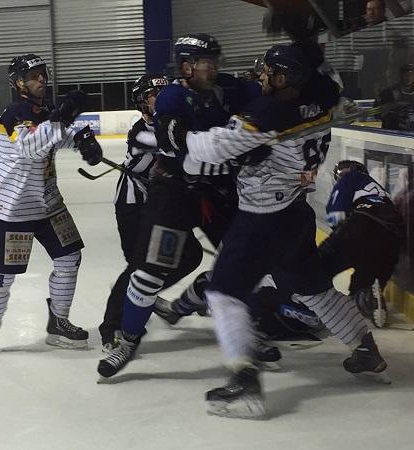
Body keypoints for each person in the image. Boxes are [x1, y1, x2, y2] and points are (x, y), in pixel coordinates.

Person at [156, 43, 389, 418]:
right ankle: (365, 349)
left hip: (260, 219)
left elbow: (211, 149)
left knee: (223, 293)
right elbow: (326, 79)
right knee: (313, 290)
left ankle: (245, 384)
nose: (260, 77)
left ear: (283, 79)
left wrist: (177, 135)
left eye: (266, 72)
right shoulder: (324, 96)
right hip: (295, 214)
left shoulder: (267, 114)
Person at [97, 34, 260, 377]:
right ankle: (126, 337)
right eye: (207, 62)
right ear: (186, 67)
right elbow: (184, 156)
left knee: (244, 265)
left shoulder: (227, 88)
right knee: (146, 274)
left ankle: (237, 330)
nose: (214, 67)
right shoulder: (172, 99)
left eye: (216, 60)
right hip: (173, 196)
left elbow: (269, 99)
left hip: (217, 195)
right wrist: (241, 150)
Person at [0, 53, 101, 352]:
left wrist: (83, 140)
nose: (42, 78)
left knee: (69, 258)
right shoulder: (14, 114)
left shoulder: (46, 110)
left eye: (43, 72)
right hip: (11, 209)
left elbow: (57, 135)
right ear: (19, 83)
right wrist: (64, 119)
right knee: (2, 275)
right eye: (33, 75)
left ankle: (58, 323)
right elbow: (31, 148)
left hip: (48, 204)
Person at [98, 74, 168, 352]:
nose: (162, 100)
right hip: (132, 206)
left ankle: (145, 294)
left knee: (187, 255)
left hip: (156, 203)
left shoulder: (166, 124)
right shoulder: (141, 132)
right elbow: (179, 146)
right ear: (142, 102)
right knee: (138, 266)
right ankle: (112, 326)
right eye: (155, 95)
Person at [319, 160, 404, 325]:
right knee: (367, 269)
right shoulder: (382, 192)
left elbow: (336, 213)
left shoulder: (352, 178)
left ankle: (306, 301)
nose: (342, 176)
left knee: (321, 262)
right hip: (394, 231)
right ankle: (365, 295)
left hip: (363, 222)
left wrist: (338, 234)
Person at [375, 63, 414, 131]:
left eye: (411, 74)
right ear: (401, 75)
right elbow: (376, 113)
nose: (408, 77)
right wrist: (393, 113)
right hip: (393, 134)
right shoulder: (389, 92)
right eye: (406, 74)